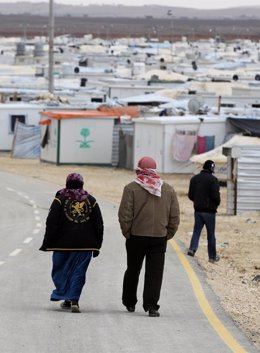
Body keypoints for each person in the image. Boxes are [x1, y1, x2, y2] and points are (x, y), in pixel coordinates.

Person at [118, 156, 180, 317]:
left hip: (136, 236)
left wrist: (127, 232)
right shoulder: (168, 189)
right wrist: (168, 234)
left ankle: (129, 302)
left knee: (133, 269)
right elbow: (174, 216)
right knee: (155, 273)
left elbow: (125, 215)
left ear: (139, 170)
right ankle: (152, 306)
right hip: (159, 237)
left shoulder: (131, 188)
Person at [39, 172, 104, 313]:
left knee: (61, 271)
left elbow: (51, 223)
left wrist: (46, 242)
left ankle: (65, 295)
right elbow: (99, 224)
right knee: (78, 273)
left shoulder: (59, 200)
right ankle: (73, 299)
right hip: (86, 245)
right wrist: (97, 245)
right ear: (82, 184)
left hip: (62, 245)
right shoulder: (91, 200)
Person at [187, 159, 220, 263]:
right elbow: (216, 196)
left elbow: (190, 195)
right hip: (209, 212)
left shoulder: (194, 179)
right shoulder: (213, 180)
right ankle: (212, 257)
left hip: (197, 210)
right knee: (211, 234)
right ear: (211, 169)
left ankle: (192, 249)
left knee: (196, 230)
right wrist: (215, 204)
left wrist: (197, 202)